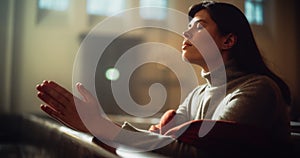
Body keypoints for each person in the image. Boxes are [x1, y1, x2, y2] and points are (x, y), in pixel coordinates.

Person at [36, 1, 292, 157]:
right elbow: (159, 143)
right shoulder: (198, 94)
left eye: (199, 26)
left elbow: (196, 154)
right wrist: (97, 128)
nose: (186, 31)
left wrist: (102, 127)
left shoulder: (258, 90)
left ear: (228, 40)